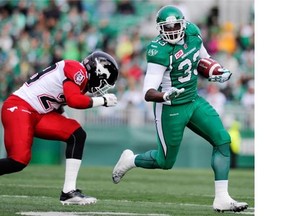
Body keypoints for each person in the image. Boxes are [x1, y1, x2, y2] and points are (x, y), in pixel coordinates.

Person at [112, 5, 248, 213]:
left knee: (222, 139)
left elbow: (204, 58)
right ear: (159, 29)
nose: (173, 30)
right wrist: (165, 94)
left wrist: (216, 70)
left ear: (184, 25)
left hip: (193, 100)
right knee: (164, 161)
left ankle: (222, 198)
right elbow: (147, 92)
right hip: (170, 107)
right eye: (167, 27)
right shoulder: (159, 50)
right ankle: (131, 160)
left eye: (176, 25)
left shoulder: (193, 33)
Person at [0, 50, 119, 205]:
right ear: (97, 72)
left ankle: (69, 192)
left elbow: (55, 102)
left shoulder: (79, 77)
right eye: (104, 82)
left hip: (38, 113)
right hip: (19, 107)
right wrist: (102, 100)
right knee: (18, 160)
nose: (102, 87)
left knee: (77, 134)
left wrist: (65, 121)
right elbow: (74, 101)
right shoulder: (77, 70)